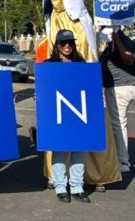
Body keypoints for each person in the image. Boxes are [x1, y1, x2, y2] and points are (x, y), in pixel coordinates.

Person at [17, 0, 120, 190]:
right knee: (58, 86)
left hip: (77, 30)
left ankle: (96, 173)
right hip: (57, 30)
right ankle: (57, 175)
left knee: (84, 83)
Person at [47, 30, 91, 204]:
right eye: (63, 43)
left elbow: (88, 87)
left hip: (78, 113)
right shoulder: (49, 65)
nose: (67, 46)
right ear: (57, 45)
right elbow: (44, 88)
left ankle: (77, 187)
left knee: (79, 151)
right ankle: (60, 187)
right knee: (59, 151)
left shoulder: (82, 64)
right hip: (58, 112)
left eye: (70, 43)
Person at [99, 27, 135, 172]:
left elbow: (128, 59)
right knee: (116, 123)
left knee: (118, 123)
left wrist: (116, 38)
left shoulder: (123, 41)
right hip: (117, 87)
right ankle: (119, 158)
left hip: (121, 87)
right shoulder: (112, 44)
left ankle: (123, 162)